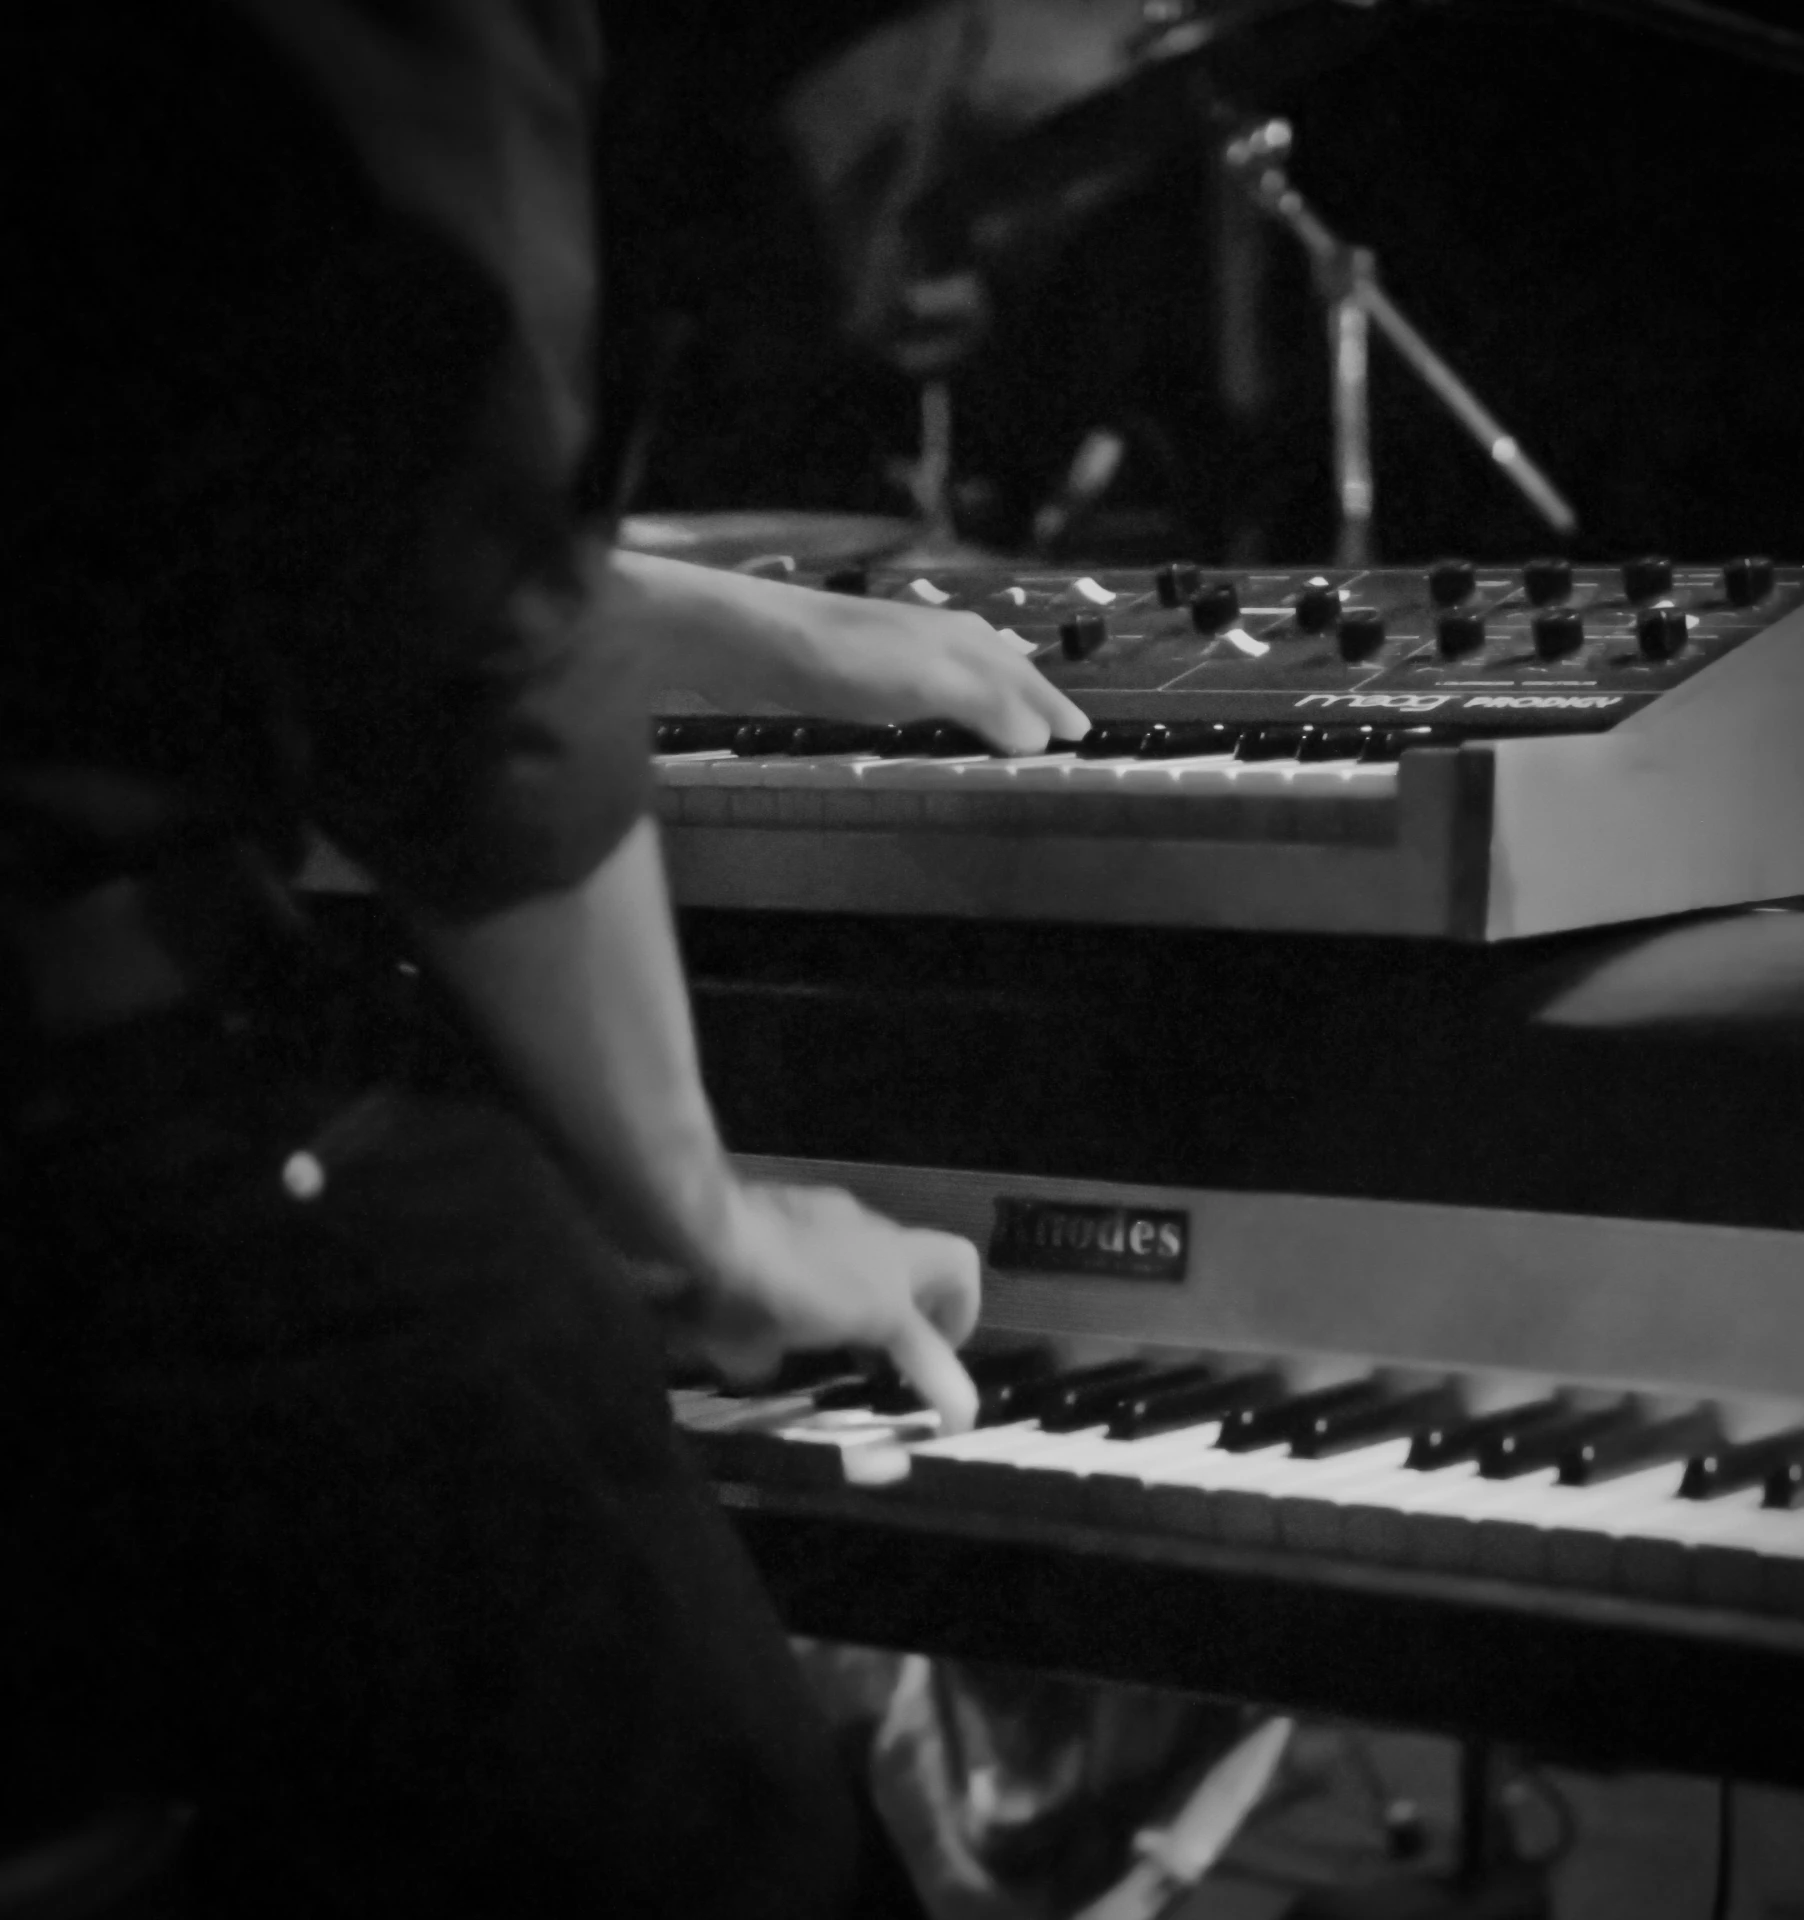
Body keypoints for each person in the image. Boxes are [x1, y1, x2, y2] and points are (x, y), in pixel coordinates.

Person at [0, 4, 1086, 1916]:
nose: (962, 225)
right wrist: (712, 1223)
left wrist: (768, 636)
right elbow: (440, 650)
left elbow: (219, 459)